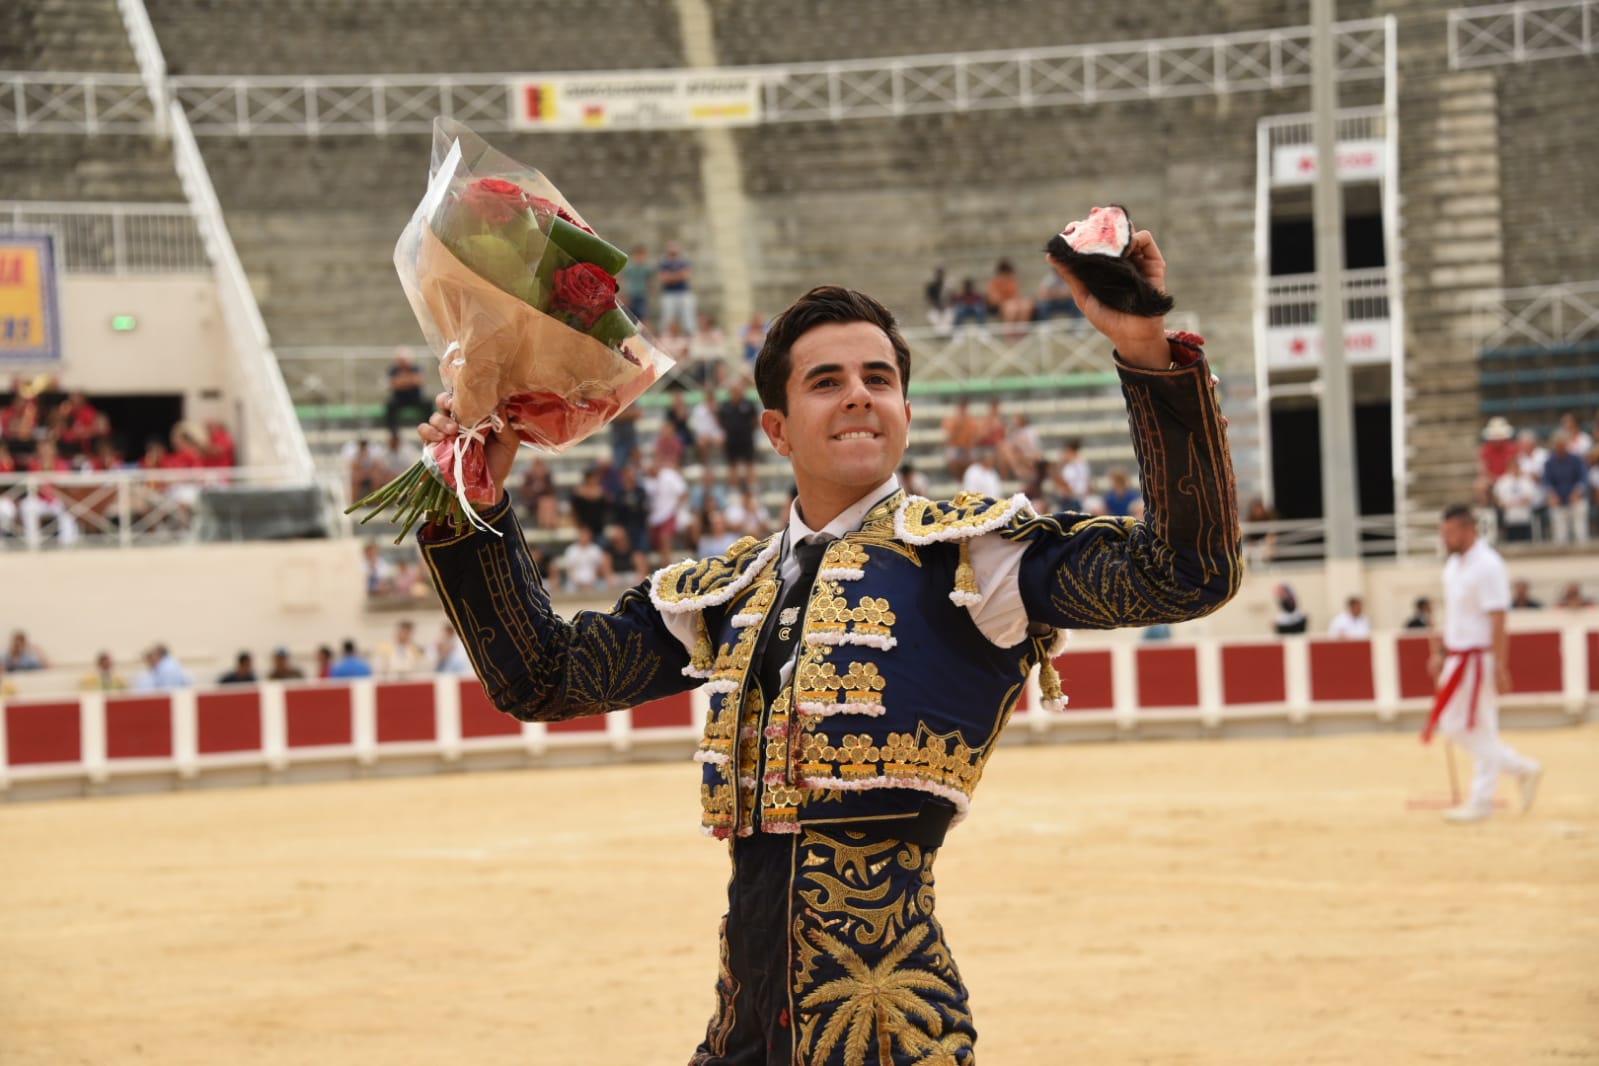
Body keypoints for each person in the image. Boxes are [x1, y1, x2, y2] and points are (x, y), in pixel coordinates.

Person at [413, 227, 1240, 1062]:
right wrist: (465, 500)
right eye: (826, 381)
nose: (857, 395)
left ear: (907, 415)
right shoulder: (731, 589)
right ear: (775, 429)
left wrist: (1145, 352)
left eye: (877, 379)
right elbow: (544, 677)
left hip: (886, 1036)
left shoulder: (972, 559)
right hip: (742, 1036)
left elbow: (1184, 573)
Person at [1422, 503, 1542, 823]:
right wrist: (1442, 653)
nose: (1444, 537)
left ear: (1468, 529)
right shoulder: (1453, 567)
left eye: (1449, 531)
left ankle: (1484, 797)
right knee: (1460, 726)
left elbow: (1498, 617)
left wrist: (1501, 665)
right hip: (1459, 656)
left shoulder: (1488, 565)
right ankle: (1518, 771)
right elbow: (1456, 617)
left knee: (1475, 726)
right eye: (1443, 531)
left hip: (1479, 657)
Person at [656, 240, 696, 336]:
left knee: (688, 317)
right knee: (667, 318)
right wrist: (679, 275)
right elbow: (662, 278)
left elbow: (686, 275)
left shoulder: (684, 261)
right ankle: (666, 337)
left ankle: (690, 336)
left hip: (684, 293)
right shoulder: (664, 262)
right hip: (669, 294)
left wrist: (671, 276)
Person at [384, 349, 428, 434]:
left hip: (415, 398)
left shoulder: (417, 368)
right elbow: (393, 384)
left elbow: (419, 381)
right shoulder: (393, 370)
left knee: (428, 404)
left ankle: (427, 428)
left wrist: (402, 381)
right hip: (399, 399)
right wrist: (410, 380)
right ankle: (393, 432)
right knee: (390, 406)